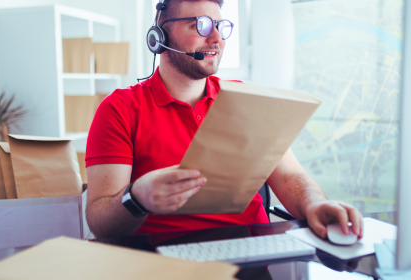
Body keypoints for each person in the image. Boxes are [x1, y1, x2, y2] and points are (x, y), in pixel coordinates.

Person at [85, 0, 363, 240]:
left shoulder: (246, 99)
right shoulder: (120, 108)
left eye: (221, 26)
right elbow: (100, 223)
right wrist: (136, 198)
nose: (217, 39)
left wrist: (315, 204)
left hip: (250, 253)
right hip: (163, 260)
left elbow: (290, 177)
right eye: (201, 26)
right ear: (160, 37)